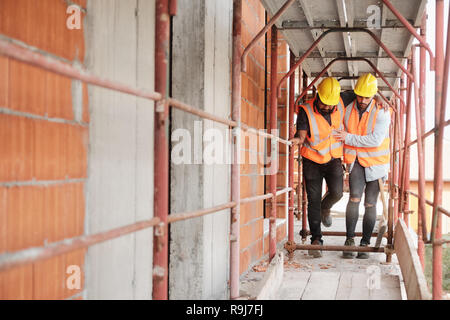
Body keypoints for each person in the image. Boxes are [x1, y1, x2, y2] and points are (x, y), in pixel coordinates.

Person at [333, 73, 391, 259]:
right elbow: (336, 99)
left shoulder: (382, 111)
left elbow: (375, 140)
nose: (363, 100)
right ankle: (350, 240)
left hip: (376, 164)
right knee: (355, 198)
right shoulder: (348, 106)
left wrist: (348, 137)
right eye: (360, 96)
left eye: (367, 96)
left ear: (374, 95)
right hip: (356, 160)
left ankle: (365, 244)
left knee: (370, 203)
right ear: (355, 93)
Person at [290, 77, 345, 258]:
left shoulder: (342, 100)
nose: (327, 107)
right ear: (317, 94)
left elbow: (364, 97)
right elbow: (302, 136)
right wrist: (296, 141)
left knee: (337, 192)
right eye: (324, 103)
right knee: (312, 199)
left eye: (331, 104)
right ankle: (316, 240)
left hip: (334, 158)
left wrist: (377, 102)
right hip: (312, 160)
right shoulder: (306, 110)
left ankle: (325, 208)